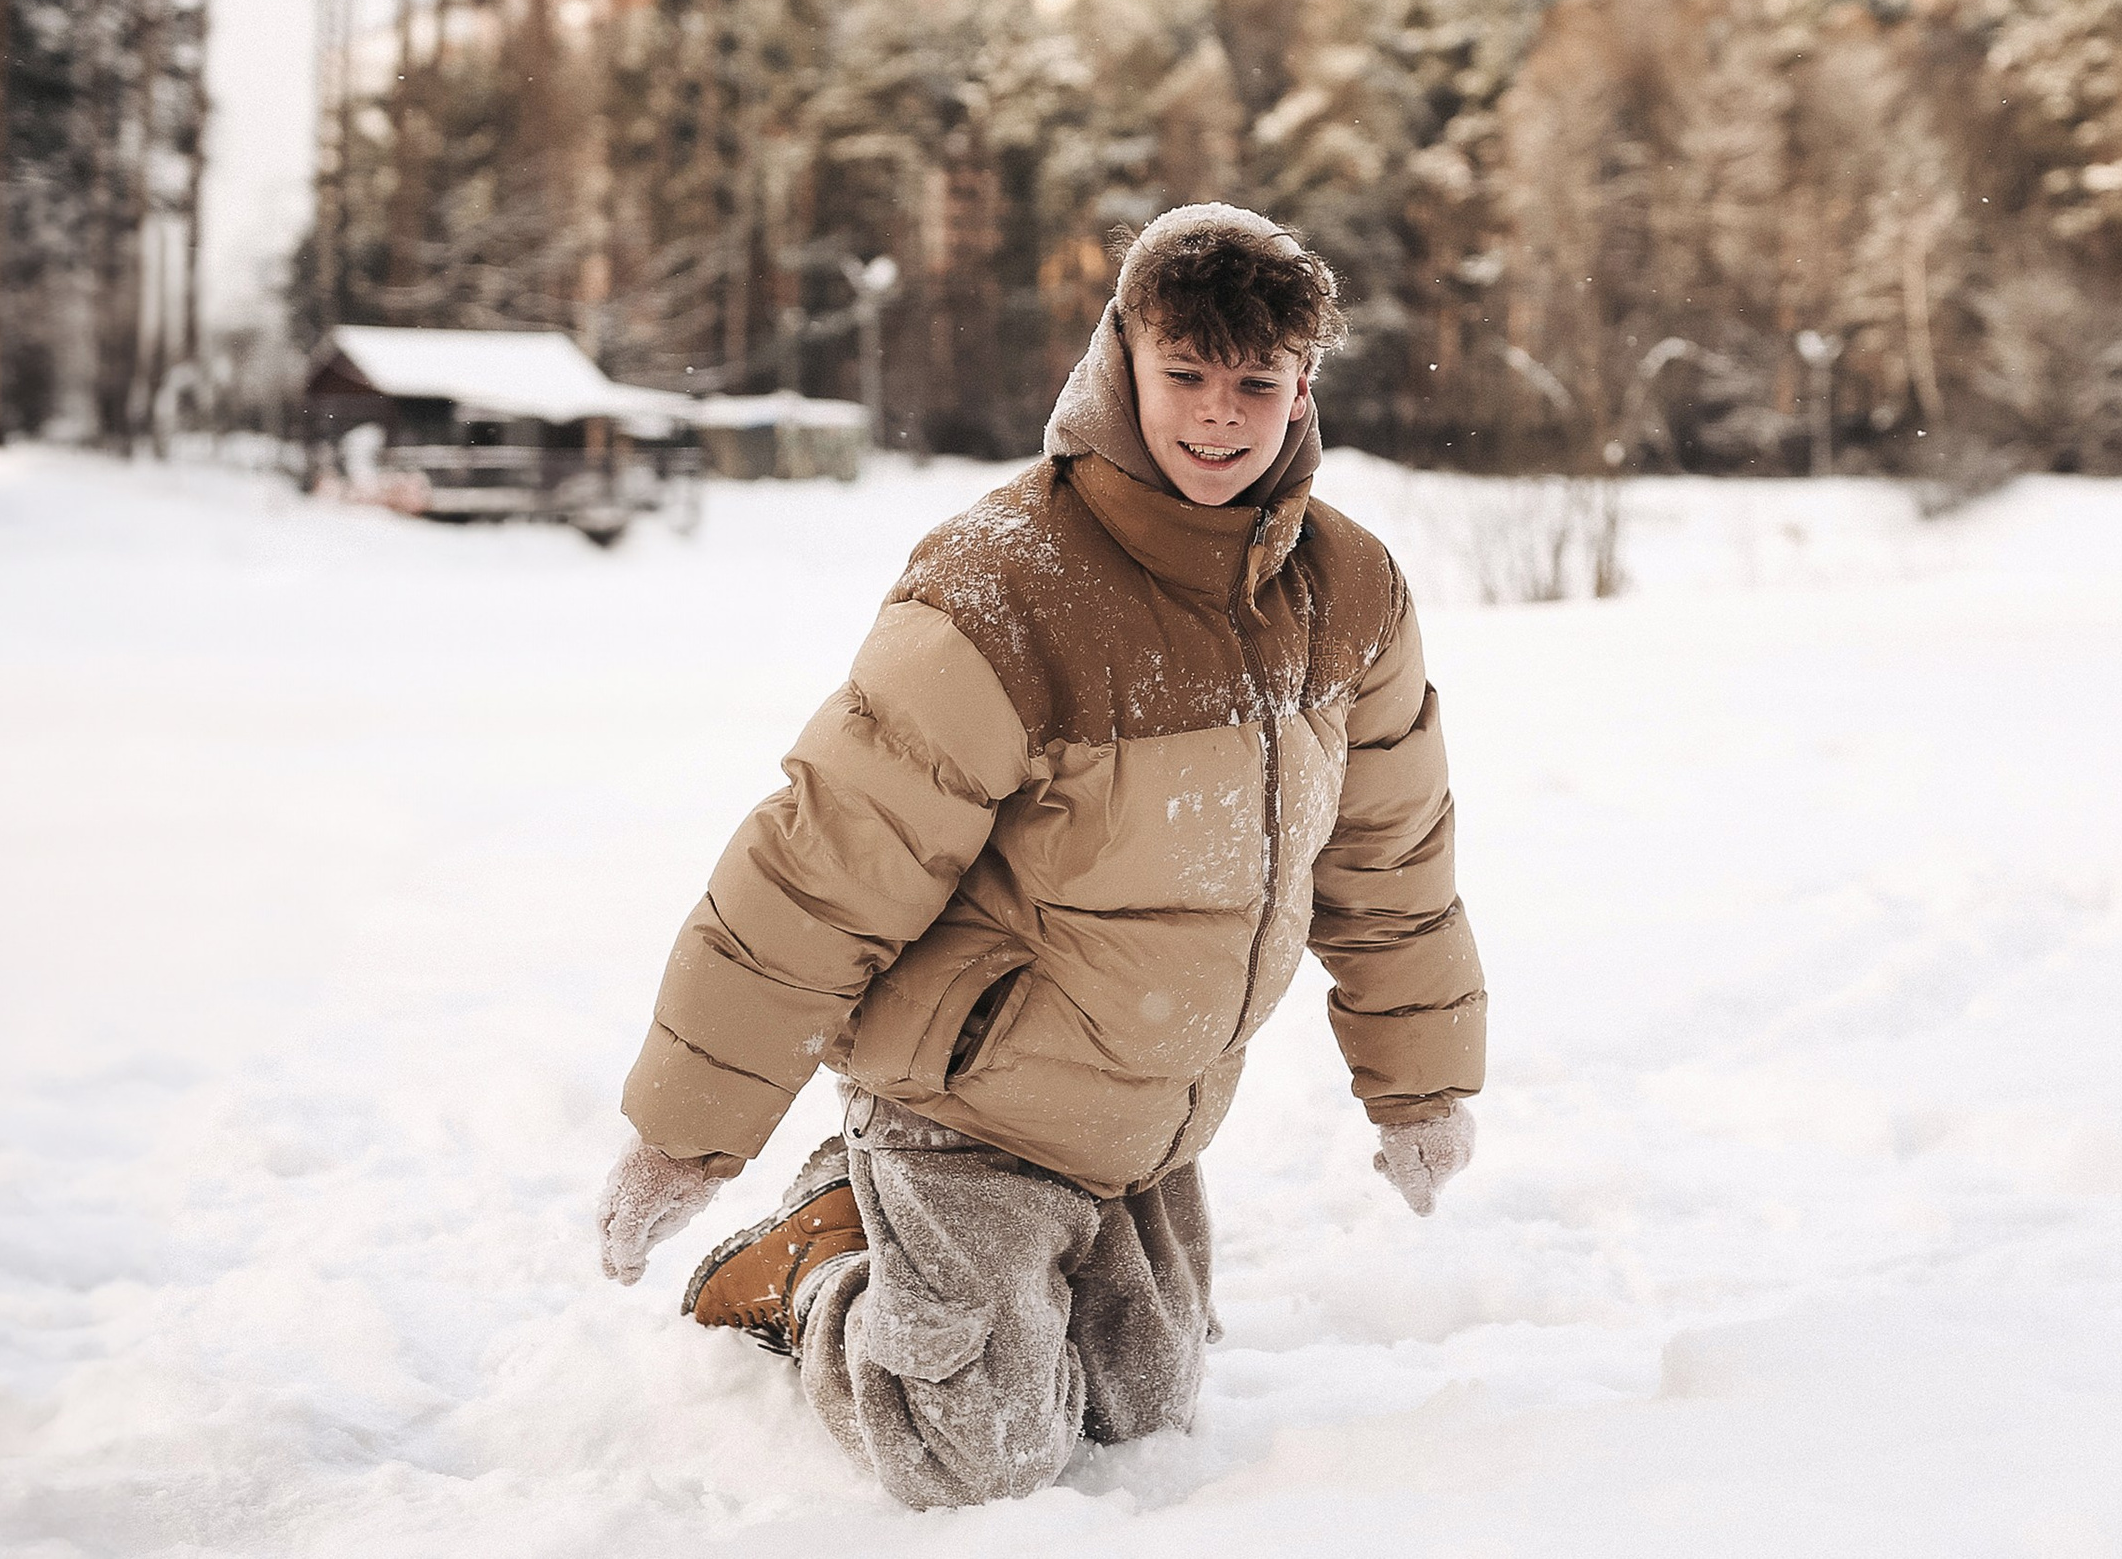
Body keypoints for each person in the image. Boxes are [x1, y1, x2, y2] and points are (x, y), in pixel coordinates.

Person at [593, 203, 1487, 1508]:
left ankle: (917, 1237)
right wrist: (685, 1134)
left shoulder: (1347, 592)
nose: (1219, 417)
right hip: (963, 1104)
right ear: (1123, 359)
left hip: (1151, 1117)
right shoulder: (1010, 586)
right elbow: (823, 863)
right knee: (980, 1448)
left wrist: (1419, 1090)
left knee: (1144, 1414)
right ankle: (819, 1264)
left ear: (1304, 384)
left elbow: (1391, 864)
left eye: (1255, 381)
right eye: (1187, 373)